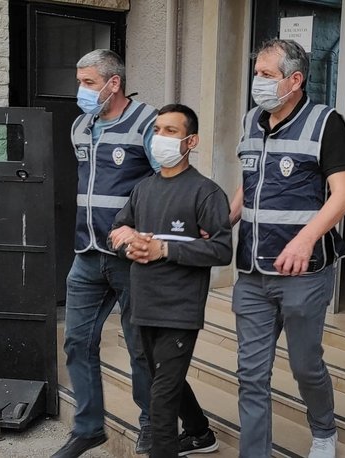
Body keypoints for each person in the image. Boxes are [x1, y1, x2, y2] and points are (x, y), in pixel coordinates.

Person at [229, 39, 345, 458]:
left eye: (267, 75)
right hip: (252, 273)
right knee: (251, 375)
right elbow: (250, 182)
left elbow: (344, 194)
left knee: (305, 366)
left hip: (304, 274)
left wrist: (305, 239)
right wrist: (222, 222)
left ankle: (324, 430)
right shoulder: (251, 120)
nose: (258, 82)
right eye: (257, 73)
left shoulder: (325, 123)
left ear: (295, 80)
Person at [110, 104, 232, 457]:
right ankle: (199, 433)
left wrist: (164, 249)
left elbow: (222, 249)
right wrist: (128, 244)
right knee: (164, 382)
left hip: (179, 309)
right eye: (157, 130)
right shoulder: (143, 189)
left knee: (160, 398)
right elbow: (118, 231)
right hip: (143, 304)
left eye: (171, 131)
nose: (160, 138)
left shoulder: (206, 192)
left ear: (190, 141)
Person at [53, 49, 158, 458]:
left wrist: (146, 235)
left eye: (88, 83)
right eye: (79, 82)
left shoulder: (147, 122)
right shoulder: (80, 126)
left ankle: (152, 424)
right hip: (87, 252)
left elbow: (166, 183)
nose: (80, 90)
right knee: (77, 341)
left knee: (141, 348)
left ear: (114, 83)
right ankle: (88, 428)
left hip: (131, 257)